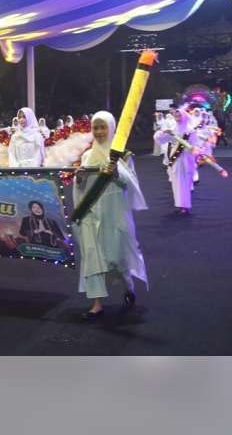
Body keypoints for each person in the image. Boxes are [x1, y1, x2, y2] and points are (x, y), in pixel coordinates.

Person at [72, 111, 148, 321]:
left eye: (102, 127)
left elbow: (132, 184)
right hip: (91, 215)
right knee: (92, 257)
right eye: (95, 127)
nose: (98, 132)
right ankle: (96, 304)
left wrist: (117, 173)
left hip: (115, 215)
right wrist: (79, 180)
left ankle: (128, 285)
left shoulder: (123, 156)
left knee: (116, 258)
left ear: (112, 128)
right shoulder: (87, 156)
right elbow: (82, 189)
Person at [154, 106, 200, 216]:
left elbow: (195, 146)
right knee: (177, 183)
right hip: (175, 159)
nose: (177, 116)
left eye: (179, 115)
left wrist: (193, 150)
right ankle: (180, 205)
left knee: (185, 183)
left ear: (184, 116)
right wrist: (163, 132)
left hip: (186, 159)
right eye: (176, 115)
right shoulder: (173, 129)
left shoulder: (190, 130)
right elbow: (160, 139)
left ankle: (185, 206)